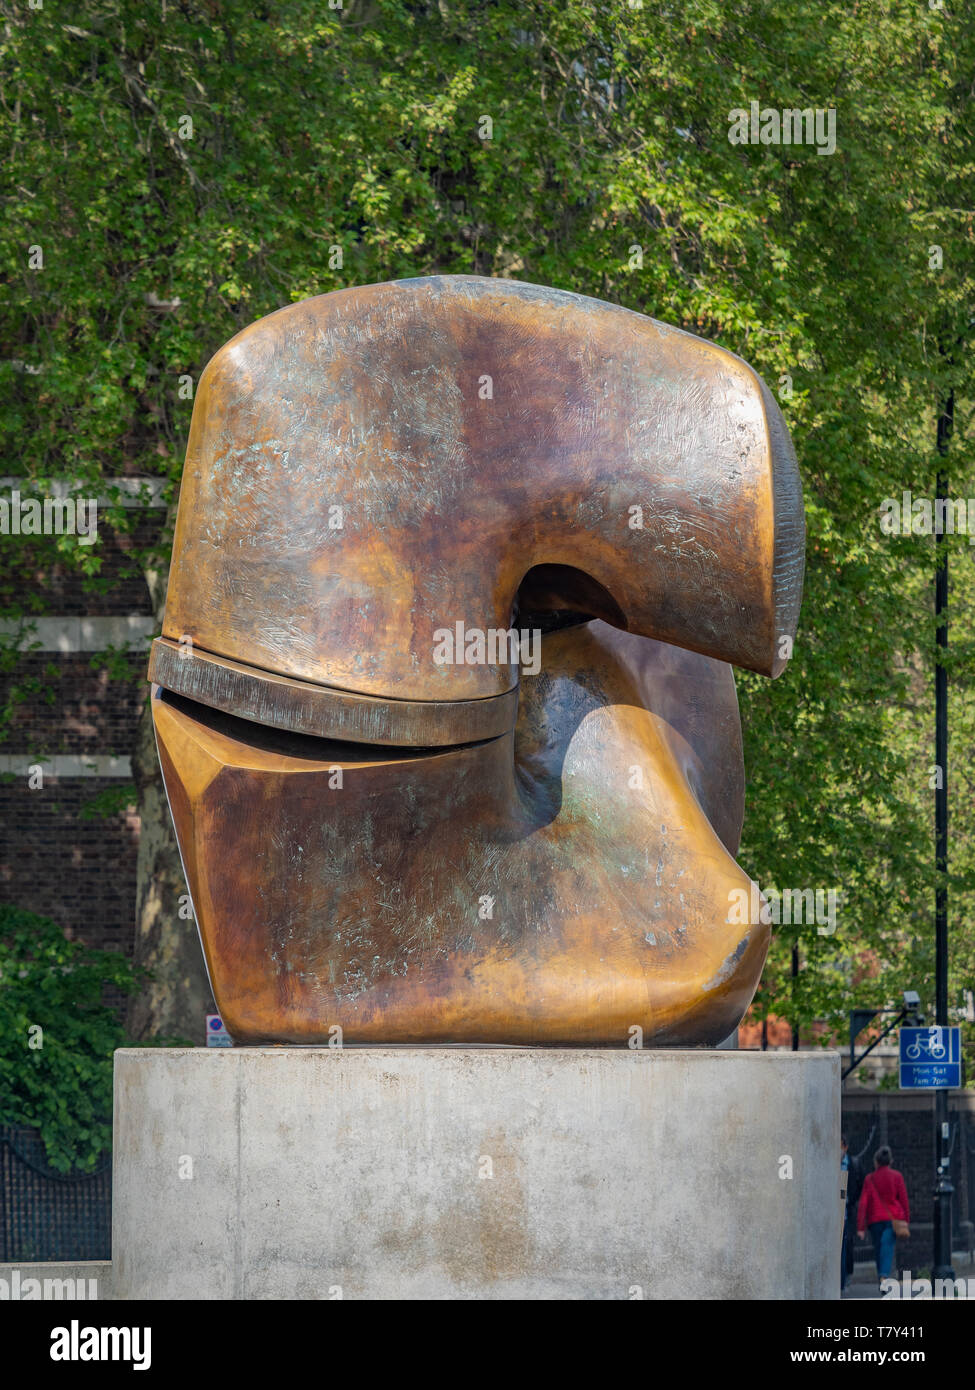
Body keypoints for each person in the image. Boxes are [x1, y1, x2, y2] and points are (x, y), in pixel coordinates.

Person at [857, 1145, 909, 1281]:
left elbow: (863, 1203)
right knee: (887, 1247)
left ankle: (882, 1274)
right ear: (890, 1161)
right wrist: (906, 1221)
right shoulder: (897, 1177)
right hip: (892, 1219)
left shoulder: (870, 1179)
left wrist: (860, 1227)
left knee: (879, 1248)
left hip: (874, 1220)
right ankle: (884, 1275)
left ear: (876, 1162)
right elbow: (904, 1200)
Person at [840, 1135, 864, 1290]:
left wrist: (851, 1200)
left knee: (847, 1244)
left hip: (848, 1210)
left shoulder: (853, 1164)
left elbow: (860, 1183)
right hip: (837, 1210)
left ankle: (846, 1276)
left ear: (845, 1147)